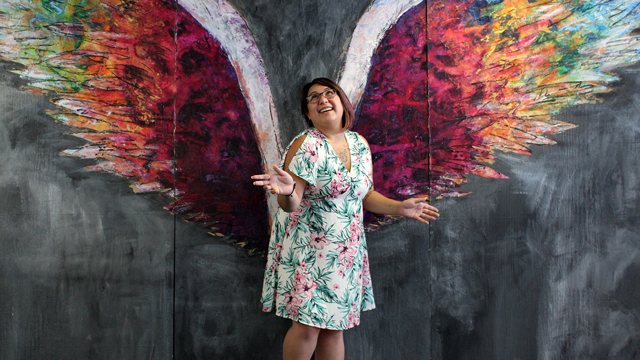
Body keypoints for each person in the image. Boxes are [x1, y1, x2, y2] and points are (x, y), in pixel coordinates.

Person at [251, 78, 439, 360]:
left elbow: (364, 195)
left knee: (334, 329)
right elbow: (291, 204)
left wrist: (400, 208)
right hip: (308, 250)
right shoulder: (306, 145)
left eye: (329, 93)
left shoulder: (359, 144)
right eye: (314, 98)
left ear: (342, 102)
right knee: (307, 328)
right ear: (308, 112)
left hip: (344, 252)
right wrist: (288, 190)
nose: (322, 99)